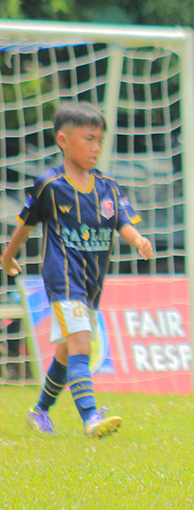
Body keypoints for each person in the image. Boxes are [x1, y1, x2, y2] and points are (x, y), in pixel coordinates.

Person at [1, 102, 153, 438]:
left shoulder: (109, 187)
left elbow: (123, 223)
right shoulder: (50, 185)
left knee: (67, 352)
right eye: (88, 139)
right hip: (62, 280)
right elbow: (26, 225)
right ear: (63, 140)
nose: (96, 147)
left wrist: (138, 239)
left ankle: (40, 412)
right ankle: (90, 418)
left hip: (91, 283)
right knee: (82, 344)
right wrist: (8, 256)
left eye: (100, 140)